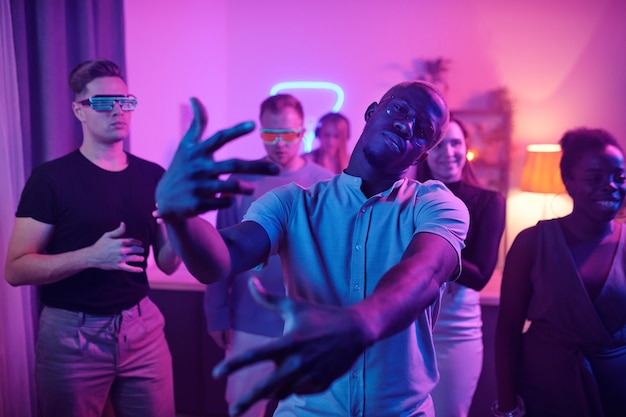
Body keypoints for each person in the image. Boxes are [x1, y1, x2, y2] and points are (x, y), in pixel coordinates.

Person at [155, 80, 470, 417]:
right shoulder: (293, 202)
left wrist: (364, 321)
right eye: (400, 109)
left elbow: (426, 271)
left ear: (422, 154)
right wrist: (178, 220)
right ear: (371, 112)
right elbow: (220, 257)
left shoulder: (437, 204)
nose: (406, 125)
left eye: (422, 130)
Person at [4, 59, 181, 417]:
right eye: (102, 102)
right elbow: (16, 269)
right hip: (72, 335)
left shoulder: (153, 175)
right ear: (79, 110)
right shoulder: (51, 179)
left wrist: (183, 221)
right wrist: (91, 256)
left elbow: (167, 261)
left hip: (142, 327)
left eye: (125, 101)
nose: (117, 110)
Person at [204, 93, 333, 417]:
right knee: (245, 409)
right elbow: (220, 252)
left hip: (307, 321)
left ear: (302, 132)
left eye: (288, 134)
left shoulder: (325, 185)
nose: (279, 143)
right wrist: (217, 313)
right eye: (270, 134)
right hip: (248, 320)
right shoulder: (240, 181)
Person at [494, 127, 626, 417]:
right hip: (545, 388)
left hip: (616, 390)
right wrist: (506, 406)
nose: (611, 186)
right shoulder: (532, 242)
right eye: (595, 178)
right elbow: (507, 329)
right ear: (569, 182)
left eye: (620, 177)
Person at [416, 117, 506, 417]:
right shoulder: (408, 198)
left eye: (456, 143)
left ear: (466, 148)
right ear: (425, 151)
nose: (448, 152)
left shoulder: (488, 201)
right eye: (439, 145)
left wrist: (432, 252)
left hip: (457, 331)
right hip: (409, 327)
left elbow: (480, 276)